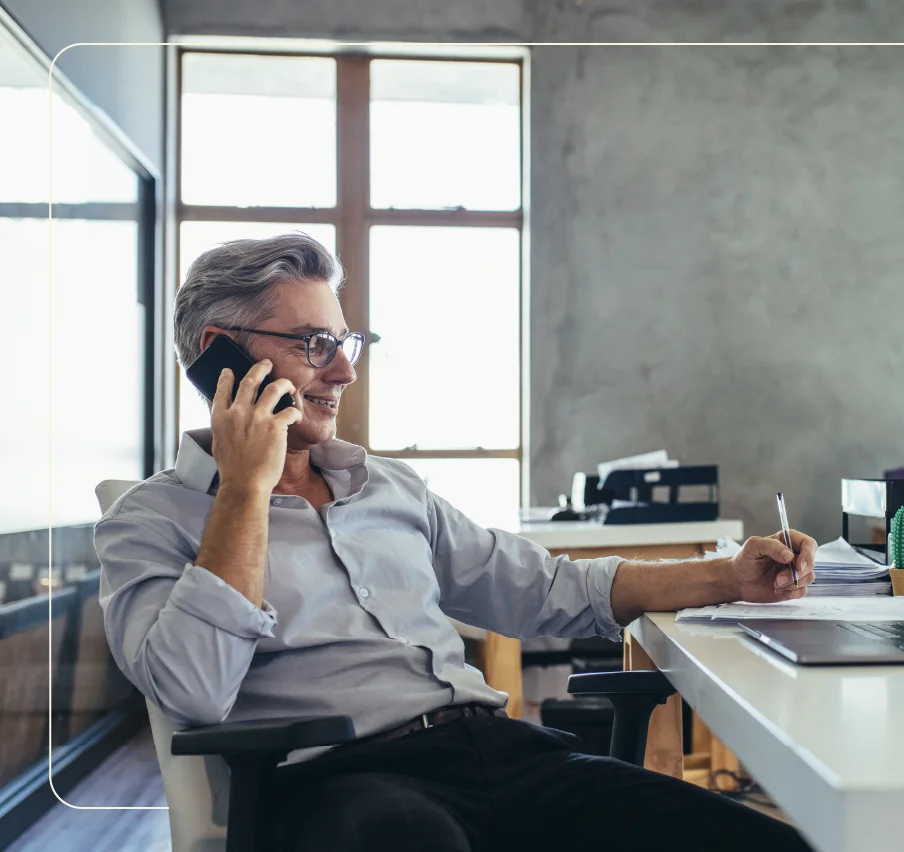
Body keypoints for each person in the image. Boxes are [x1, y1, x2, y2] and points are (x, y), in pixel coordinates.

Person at [95, 233, 819, 852]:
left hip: (498, 754)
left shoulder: (387, 488)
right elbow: (192, 688)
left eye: (344, 343)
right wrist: (247, 489)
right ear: (218, 356)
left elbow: (549, 590)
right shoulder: (151, 521)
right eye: (315, 344)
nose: (344, 370)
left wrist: (731, 575)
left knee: (766, 843)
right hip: (342, 784)